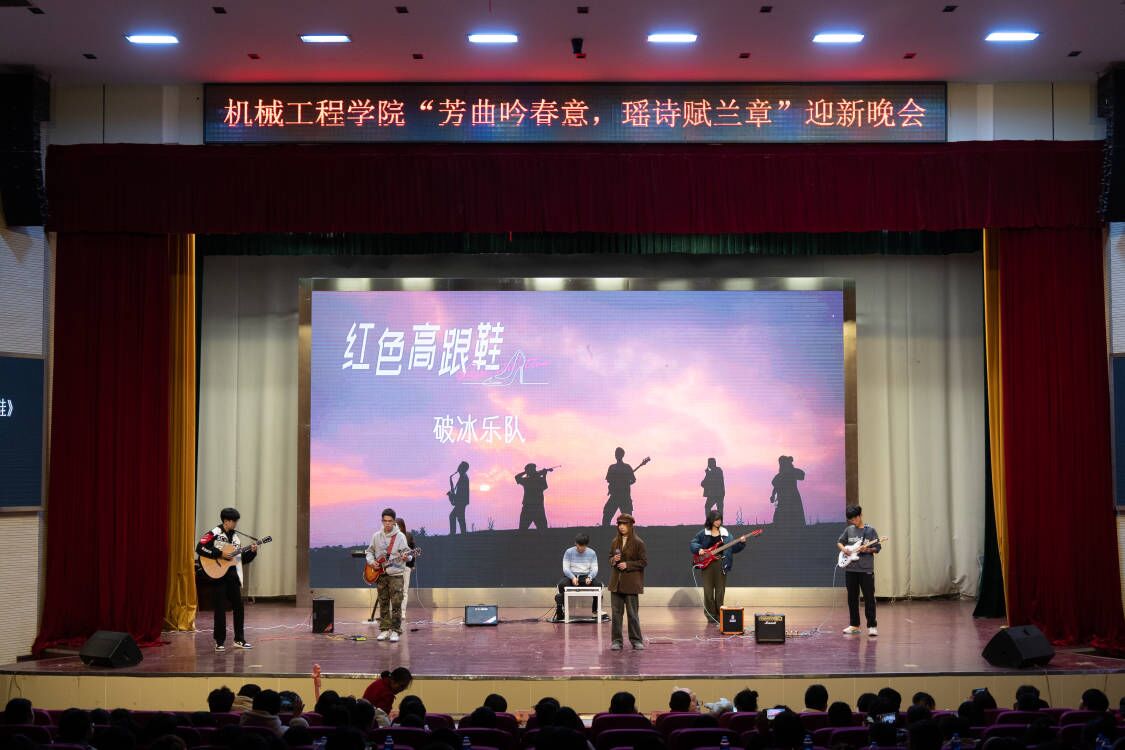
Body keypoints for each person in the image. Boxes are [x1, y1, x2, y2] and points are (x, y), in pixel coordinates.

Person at [196, 507, 258, 651]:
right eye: (233, 521)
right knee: (220, 609)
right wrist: (219, 554)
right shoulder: (214, 533)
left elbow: (239, 559)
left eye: (236, 521)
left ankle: (239, 639)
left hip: (232, 577)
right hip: (218, 576)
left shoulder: (236, 538)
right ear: (226, 521)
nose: (235, 524)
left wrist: (252, 553)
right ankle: (219, 642)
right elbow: (200, 548)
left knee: (239, 607)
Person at [690, 511, 748, 623]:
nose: (718, 522)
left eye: (720, 519)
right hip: (707, 565)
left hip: (721, 563)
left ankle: (719, 614)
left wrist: (741, 543)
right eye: (716, 519)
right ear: (711, 520)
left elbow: (733, 548)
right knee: (708, 591)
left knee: (720, 591)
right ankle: (710, 615)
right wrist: (699, 549)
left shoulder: (726, 534)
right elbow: (693, 543)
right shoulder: (703, 533)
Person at [365, 508, 413, 642]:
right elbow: (369, 552)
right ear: (382, 521)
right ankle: (385, 629)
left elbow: (408, 554)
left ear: (394, 522)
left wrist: (407, 557)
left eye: (390, 521)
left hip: (396, 574)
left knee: (396, 603)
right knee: (383, 602)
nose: (387, 523)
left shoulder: (400, 536)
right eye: (385, 521)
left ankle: (396, 630)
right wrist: (372, 562)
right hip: (381, 575)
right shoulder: (376, 536)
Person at [837, 505, 881, 636]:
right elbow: (839, 542)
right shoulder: (849, 530)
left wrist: (867, 549)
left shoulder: (870, 531)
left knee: (869, 598)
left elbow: (877, 548)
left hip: (866, 570)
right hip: (851, 570)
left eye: (855, 519)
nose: (853, 522)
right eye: (851, 520)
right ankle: (854, 625)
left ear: (860, 516)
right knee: (852, 598)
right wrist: (844, 549)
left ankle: (872, 626)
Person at [607, 514, 647, 651]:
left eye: (624, 524)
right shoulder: (615, 541)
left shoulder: (638, 542)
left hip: (631, 584)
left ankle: (636, 640)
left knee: (632, 614)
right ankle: (616, 641)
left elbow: (643, 562)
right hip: (616, 584)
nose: (622, 527)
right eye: (619, 524)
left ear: (630, 525)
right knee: (616, 614)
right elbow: (610, 558)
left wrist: (628, 565)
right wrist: (613, 559)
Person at [554, 533, 600, 622]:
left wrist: (590, 577)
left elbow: (595, 569)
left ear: (586, 545)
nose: (581, 549)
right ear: (575, 543)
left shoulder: (592, 553)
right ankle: (561, 609)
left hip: (586, 576)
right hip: (571, 576)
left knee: (598, 585)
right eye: (579, 546)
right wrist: (572, 577)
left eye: (583, 546)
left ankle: (595, 610)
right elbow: (565, 568)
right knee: (562, 585)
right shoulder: (569, 552)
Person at [602, 448, 639, 526]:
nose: (617, 455)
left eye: (618, 453)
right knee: (607, 514)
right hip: (614, 495)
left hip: (624, 496)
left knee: (627, 518)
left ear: (622, 455)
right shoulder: (612, 467)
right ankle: (604, 531)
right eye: (616, 453)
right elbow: (608, 479)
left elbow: (633, 480)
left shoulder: (627, 467)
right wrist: (616, 483)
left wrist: (626, 483)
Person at [770, 455, 807, 527]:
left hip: (792, 499)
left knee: (794, 518)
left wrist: (791, 469)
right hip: (783, 500)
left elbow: (802, 475)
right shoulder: (779, 476)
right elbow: (776, 487)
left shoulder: (791, 473)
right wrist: (773, 496)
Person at [515, 463, 552, 530]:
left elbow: (517, 477)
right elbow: (544, 486)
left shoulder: (526, 480)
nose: (535, 470)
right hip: (534, 507)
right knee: (542, 529)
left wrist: (526, 472)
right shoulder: (529, 480)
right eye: (533, 469)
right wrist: (544, 475)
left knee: (524, 529)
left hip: (533, 507)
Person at [395, 518, 418, 622]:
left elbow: (413, 552)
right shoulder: (390, 537)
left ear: (402, 526)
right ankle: (393, 611)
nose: (396, 527)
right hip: (393, 567)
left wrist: (412, 564)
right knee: (394, 591)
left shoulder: (408, 536)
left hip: (406, 566)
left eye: (397, 525)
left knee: (404, 590)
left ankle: (403, 612)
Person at [448, 461, 470, 535]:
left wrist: (453, 496)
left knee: (454, 516)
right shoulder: (463, 477)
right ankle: (462, 534)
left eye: (460, 466)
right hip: (462, 501)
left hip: (461, 502)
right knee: (460, 518)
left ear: (463, 468)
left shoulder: (463, 478)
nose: (458, 467)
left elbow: (461, 493)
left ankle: (454, 534)